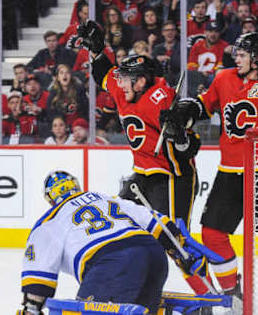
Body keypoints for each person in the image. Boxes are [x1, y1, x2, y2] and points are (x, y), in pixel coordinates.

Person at [164, 31, 258, 312]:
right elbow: (204, 105)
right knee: (212, 232)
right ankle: (233, 293)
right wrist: (185, 110)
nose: (235, 57)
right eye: (235, 53)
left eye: (242, 54)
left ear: (257, 57)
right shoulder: (224, 77)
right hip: (229, 169)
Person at [77, 20, 211, 303]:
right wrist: (98, 50)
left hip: (172, 177)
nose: (119, 82)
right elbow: (104, 74)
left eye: (126, 79)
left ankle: (210, 295)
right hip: (141, 177)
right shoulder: (125, 88)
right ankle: (126, 287)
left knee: (175, 243)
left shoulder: (161, 99)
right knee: (118, 227)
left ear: (141, 81)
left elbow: (191, 147)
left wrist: (178, 132)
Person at [17, 170, 210, 315]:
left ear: (50, 199)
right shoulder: (105, 198)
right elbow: (156, 222)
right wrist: (182, 252)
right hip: (153, 254)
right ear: (76, 187)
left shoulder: (49, 221)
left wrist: (31, 308)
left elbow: (38, 280)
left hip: (113, 265)